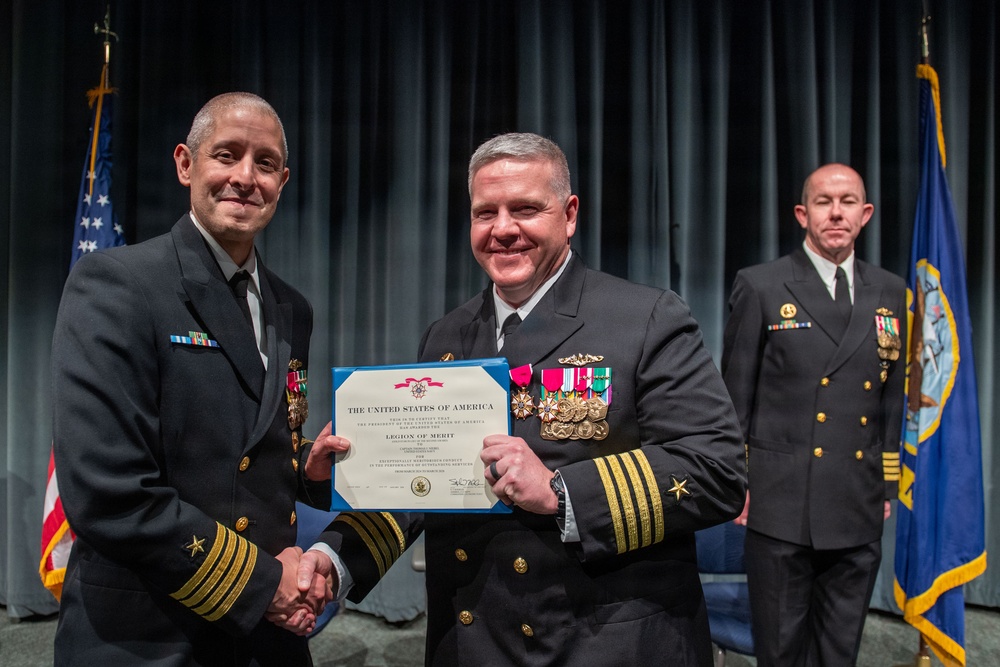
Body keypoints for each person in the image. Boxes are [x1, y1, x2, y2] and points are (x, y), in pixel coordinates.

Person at [297, 132, 747, 665]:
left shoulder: (646, 318)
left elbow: (716, 470)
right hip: (472, 640)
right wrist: (336, 553)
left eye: (526, 209)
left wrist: (562, 493)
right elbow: (424, 483)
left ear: (570, 213)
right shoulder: (447, 335)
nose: (503, 229)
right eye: (485, 212)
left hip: (605, 640)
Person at [51, 92, 342, 665]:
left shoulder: (292, 308)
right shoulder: (117, 284)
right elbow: (108, 492)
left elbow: (248, 442)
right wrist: (263, 586)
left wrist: (303, 466)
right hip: (151, 633)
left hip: (266, 638)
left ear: (283, 180)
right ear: (186, 164)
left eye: (264, 164)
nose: (244, 178)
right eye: (226, 155)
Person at [721, 163, 906, 666]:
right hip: (782, 504)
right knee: (781, 652)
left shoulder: (890, 291)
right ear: (803, 214)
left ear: (865, 214)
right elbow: (734, 401)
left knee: (839, 651)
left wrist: (886, 485)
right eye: (824, 201)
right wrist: (737, 481)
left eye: (848, 202)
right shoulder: (762, 286)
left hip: (858, 502)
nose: (837, 212)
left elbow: (890, 398)